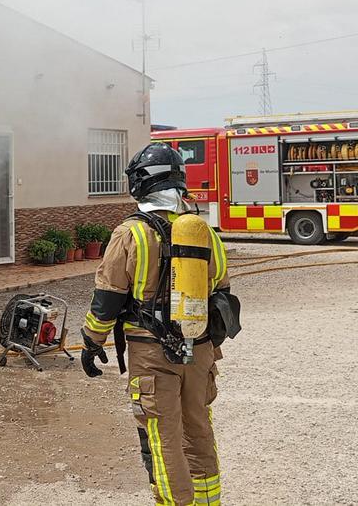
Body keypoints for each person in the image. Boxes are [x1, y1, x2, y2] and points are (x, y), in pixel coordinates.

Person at [79, 143, 233, 505]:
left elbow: (108, 299)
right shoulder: (203, 233)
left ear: (139, 184)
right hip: (200, 350)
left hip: (152, 353)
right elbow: (222, 289)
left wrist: (91, 342)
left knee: (162, 439)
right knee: (197, 430)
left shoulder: (129, 234)